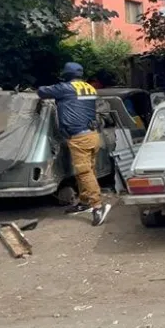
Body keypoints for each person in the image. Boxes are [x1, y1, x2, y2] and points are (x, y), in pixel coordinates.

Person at [37, 62, 111, 226]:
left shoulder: (66, 88)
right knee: (86, 171)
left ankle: (97, 206)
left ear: (66, 74)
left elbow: (42, 92)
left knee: (84, 172)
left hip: (79, 137)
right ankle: (84, 202)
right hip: (92, 134)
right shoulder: (89, 88)